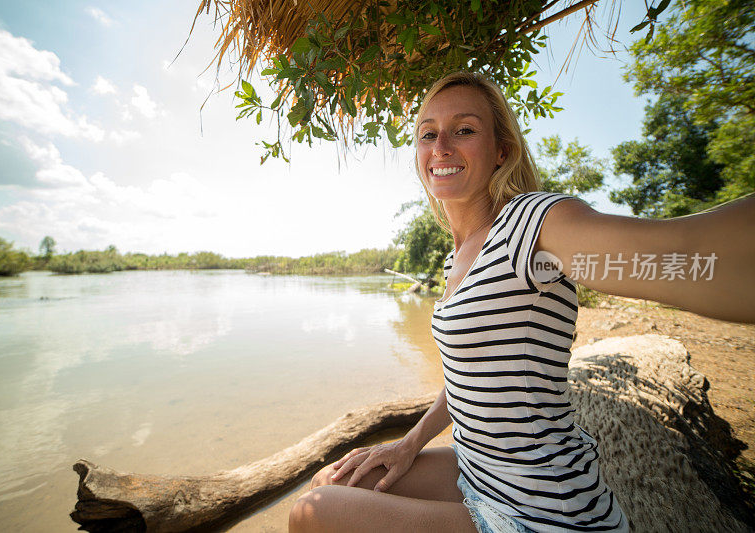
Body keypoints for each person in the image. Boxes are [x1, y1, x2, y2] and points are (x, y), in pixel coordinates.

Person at [288, 71, 755, 533]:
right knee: (333, 478)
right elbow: (468, 376)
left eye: (464, 130)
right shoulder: (458, 259)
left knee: (312, 514)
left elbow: (686, 254)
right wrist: (409, 443)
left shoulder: (530, 224)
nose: (441, 146)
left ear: (502, 151)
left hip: (543, 510)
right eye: (427, 134)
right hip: (477, 471)